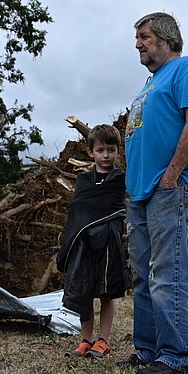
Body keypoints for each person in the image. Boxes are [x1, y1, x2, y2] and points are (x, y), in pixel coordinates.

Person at [119, 12, 188, 374]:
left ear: (166, 39)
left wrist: (171, 176)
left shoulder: (186, 68)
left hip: (169, 188)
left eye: (144, 36)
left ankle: (176, 357)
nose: (138, 44)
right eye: (137, 38)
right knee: (143, 276)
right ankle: (148, 350)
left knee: (166, 273)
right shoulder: (150, 83)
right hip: (140, 193)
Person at [57, 124, 129, 359]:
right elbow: (78, 210)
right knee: (84, 288)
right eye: (100, 150)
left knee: (107, 292)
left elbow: (118, 209)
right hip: (83, 242)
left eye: (111, 150)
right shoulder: (84, 180)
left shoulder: (121, 180)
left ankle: (103, 341)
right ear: (90, 152)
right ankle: (86, 340)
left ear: (118, 151)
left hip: (109, 240)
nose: (105, 155)